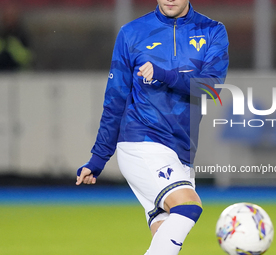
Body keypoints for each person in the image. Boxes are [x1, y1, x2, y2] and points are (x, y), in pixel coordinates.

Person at [76, 0, 229, 254]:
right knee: (188, 206)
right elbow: (115, 99)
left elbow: (211, 88)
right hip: (140, 142)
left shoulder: (212, 30)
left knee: (165, 237)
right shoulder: (132, 33)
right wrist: (98, 158)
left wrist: (164, 74)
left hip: (182, 150)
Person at [0, 2, 32, 71]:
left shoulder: (22, 35)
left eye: (12, 15)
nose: (9, 19)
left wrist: (14, 47)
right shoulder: (1, 35)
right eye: (7, 16)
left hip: (18, 73)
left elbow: (27, 58)